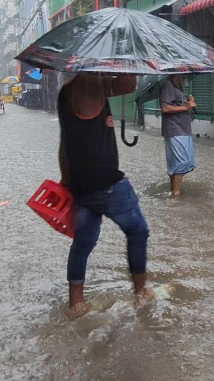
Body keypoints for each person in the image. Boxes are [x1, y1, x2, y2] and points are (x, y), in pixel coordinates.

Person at [58, 74, 152, 318]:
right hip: (106, 183)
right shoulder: (92, 84)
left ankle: (76, 303)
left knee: (83, 243)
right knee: (138, 230)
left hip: (80, 185)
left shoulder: (65, 91)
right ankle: (141, 291)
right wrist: (126, 57)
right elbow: (128, 84)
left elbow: (63, 142)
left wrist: (67, 181)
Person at [160, 74, 196, 197]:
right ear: (176, 74)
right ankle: (175, 191)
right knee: (184, 161)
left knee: (177, 162)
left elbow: (177, 104)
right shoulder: (168, 86)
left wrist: (188, 101)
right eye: (183, 76)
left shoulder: (177, 87)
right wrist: (187, 106)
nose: (185, 79)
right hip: (176, 130)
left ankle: (173, 190)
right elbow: (165, 108)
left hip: (182, 129)